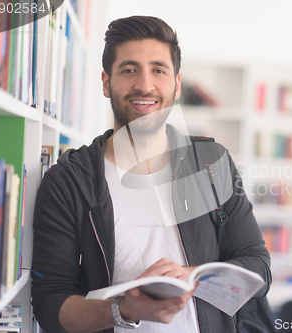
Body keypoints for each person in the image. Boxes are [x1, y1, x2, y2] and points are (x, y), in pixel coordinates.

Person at [31, 16, 271, 333]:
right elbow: (50, 305)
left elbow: (258, 266)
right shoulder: (70, 181)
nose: (145, 85)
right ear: (106, 82)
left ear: (177, 84)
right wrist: (122, 309)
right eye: (129, 70)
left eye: (158, 70)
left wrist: (191, 276)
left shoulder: (211, 165)